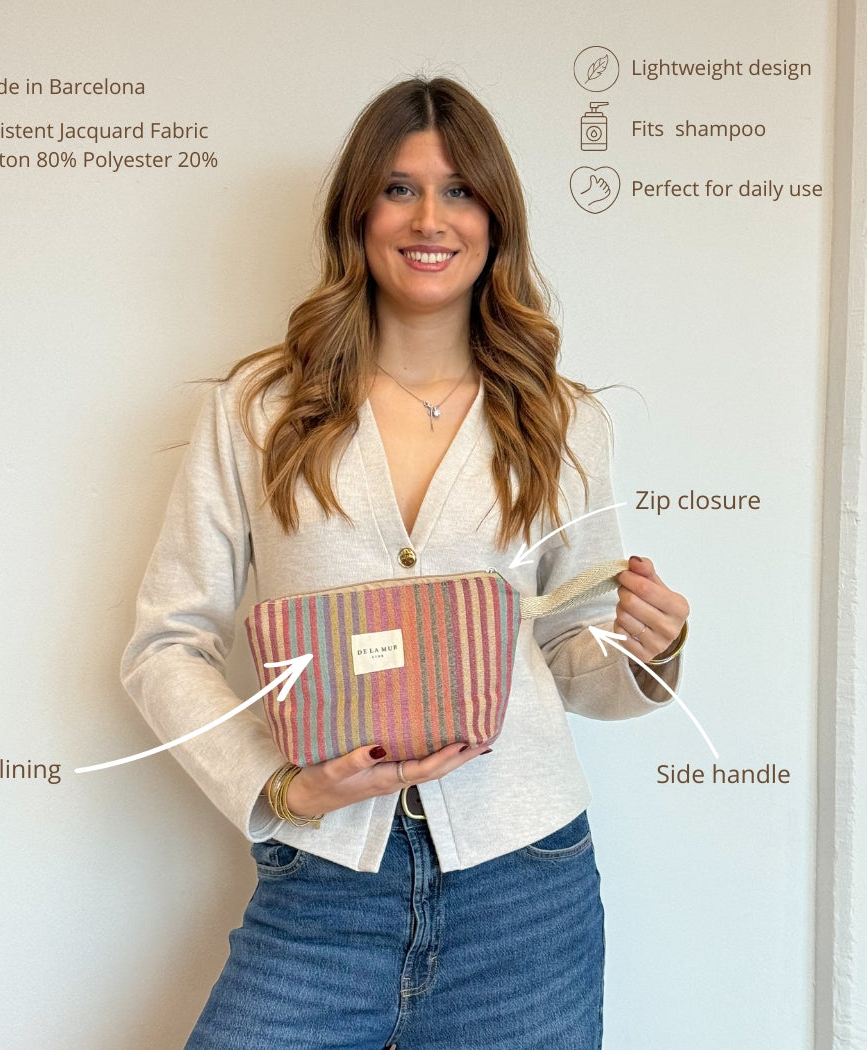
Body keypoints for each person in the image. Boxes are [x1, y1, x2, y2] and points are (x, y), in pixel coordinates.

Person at [122, 75, 690, 1050]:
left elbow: (572, 649)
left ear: (495, 220)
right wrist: (278, 789)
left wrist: (652, 652)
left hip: (526, 890)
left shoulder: (562, 421)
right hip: (320, 886)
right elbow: (164, 644)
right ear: (359, 213)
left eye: (460, 190)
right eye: (400, 188)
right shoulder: (258, 411)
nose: (431, 218)